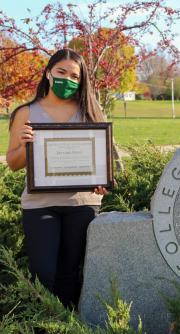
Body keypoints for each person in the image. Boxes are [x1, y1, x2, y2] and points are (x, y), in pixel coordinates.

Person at [6, 49, 109, 308]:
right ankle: (41, 333)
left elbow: (103, 161)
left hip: (82, 203)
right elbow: (12, 163)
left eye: (74, 76)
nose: (67, 79)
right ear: (48, 73)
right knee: (43, 273)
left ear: (81, 80)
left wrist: (102, 180)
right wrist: (27, 147)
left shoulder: (91, 111)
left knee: (70, 274)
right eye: (61, 72)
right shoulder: (26, 113)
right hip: (40, 204)